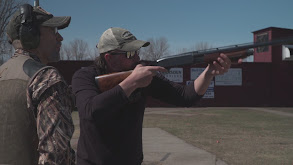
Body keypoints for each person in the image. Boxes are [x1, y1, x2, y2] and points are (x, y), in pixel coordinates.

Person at [71, 27, 232, 165]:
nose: (137, 58)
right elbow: (90, 112)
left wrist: (210, 72)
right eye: (130, 53)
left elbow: (185, 96)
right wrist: (132, 82)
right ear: (109, 58)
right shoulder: (84, 77)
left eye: (137, 51)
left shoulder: (142, 75)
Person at [0, 4, 75, 165]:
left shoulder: (3, 72)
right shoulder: (45, 77)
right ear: (31, 35)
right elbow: (56, 156)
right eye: (53, 31)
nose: (60, 38)